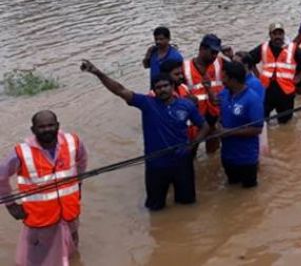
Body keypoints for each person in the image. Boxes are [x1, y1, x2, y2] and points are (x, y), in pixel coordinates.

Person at [81, 60, 210, 211]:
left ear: (173, 86)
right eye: (158, 88)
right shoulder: (147, 103)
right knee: (155, 208)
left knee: (187, 205)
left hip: (182, 163)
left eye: (165, 86)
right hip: (156, 165)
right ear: (154, 91)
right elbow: (120, 90)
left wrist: (192, 145)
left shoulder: (186, 105)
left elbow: (205, 127)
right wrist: (97, 73)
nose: (162, 90)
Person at [0, 111, 87, 266]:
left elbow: (82, 161)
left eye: (50, 125)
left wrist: (78, 184)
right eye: (42, 127)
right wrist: (11, 205)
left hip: (69, 211)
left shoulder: (73, 142)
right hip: (41, 217)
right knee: (38, 258)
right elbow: (1, 177)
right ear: (33, 130)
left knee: (72, 249)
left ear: (58, 126)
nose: (47, 129)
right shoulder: (21, 153)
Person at [249, 23, 301, 124]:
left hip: (285, 91)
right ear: (270, 35)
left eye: (280, 33)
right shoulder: (263, 47)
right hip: (266, 90)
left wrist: (299, 77)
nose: (278, 36)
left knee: (286, 123)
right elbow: (249, 59)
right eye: (275, 34)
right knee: (262, 121)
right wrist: (257, 76)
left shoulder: (292, 48)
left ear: (283, 35)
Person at [216, 61, 264, 188]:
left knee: (249, 193)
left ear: (233, 79)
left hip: (246, 157)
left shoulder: (252, 99)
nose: (222, 81)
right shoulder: (224, 94)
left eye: (224, 77)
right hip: (227, 155)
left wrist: (229, 132)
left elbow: (257, 129)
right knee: (232, 187)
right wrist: (218, 124)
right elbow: (220, 113)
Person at [183, 34, 224, 153]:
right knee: (191, 150)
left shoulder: (220, 63)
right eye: (212, 52)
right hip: (195, 117)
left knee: (213, 152)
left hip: (214, 114)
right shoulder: (184, 67)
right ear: (201, 48)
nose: (214, 56)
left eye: (216, 52)